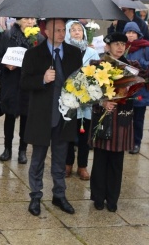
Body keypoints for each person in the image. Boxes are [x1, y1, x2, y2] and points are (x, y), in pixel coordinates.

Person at [90, 32, 149, 212]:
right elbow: (87, 90)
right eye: (116, 44)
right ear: (108, 46)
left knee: (116, 162)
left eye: (123, 44)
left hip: (122, 118)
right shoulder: (97, 65)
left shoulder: (132, 66)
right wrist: (102, 101)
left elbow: (148, 81)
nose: (120, 47)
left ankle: (112, 198)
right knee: (100, 160)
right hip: (103, 116)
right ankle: (98, 196)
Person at [21, 18, 82, 216]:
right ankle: (35, 196)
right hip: (41, 115)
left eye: (64, 30)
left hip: (64, 116)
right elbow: (24, 82)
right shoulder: (33, 54)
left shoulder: (74, 53)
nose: (61, 34)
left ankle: (59, 195)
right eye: (57, 30)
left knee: (60, 158)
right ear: (46, 31)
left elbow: (79, 81)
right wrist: (42, 79)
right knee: (37, 158)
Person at [0, 17, 37, 164]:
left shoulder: (39, 38)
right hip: (11, 82)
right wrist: (6, 64)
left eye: (32, 19)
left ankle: (22, 150)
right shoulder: (8, 35)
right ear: (19, 20)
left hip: (28, 83)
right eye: (26, 19)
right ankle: (7, 148)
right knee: (10, 116)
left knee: (25, 117)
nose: (30, 22)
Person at [64, 20, 99, 180]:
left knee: (84, 134)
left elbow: (98, 74)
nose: (77, 32)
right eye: (73, 30)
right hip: (69, 99)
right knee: (69, 133)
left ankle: (83, 166)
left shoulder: (92, 53)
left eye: (79, 29)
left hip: (86, 102)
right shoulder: (63, 50)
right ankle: (68, 163)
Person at [123, 21, 149, 155]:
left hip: (140, 90)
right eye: (128, 32)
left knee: (138, 118)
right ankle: (125, 141)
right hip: (125, 89)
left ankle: (136, 142)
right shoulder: (122, 47)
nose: (130, 35)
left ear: (138, 34)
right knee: (125, 118)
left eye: (133, 32)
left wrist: (140, 64)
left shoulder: (146, 48)